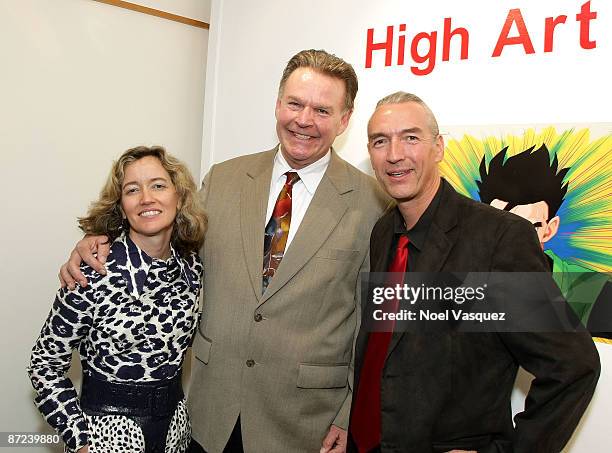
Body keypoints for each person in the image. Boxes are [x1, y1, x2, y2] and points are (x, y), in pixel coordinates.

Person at [58, 50, 389, 453]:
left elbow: (374, 323)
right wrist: (99, 239)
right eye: (295, 103)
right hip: (209, 414)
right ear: (278, 103)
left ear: (344, 119)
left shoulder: (372, 203)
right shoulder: (224, 178)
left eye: (322, 109)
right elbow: (164, 232)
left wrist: (346, 412)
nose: (304, 120)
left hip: (305, 423)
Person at [348, 92, 600, 453]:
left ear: (438, 147)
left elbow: (574, 366)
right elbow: (386, 351)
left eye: (411, 137)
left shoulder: (498, 237)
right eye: (380, 141)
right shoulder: (384, 231)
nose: (394, 154)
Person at [29, 146, 206, 453]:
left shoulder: (191, 268)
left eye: (158, 185)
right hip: (106, 439)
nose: (146, 198)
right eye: (132, 190)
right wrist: (80, 441)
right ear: (122, 207)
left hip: (175, 437)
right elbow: (44, 364)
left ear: (179, 197)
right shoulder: (92, 272)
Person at [476, 145, 611, 335]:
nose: (510, 239)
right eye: (498, 226)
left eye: (529, 228)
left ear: (550, 229)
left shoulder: (593, 290)